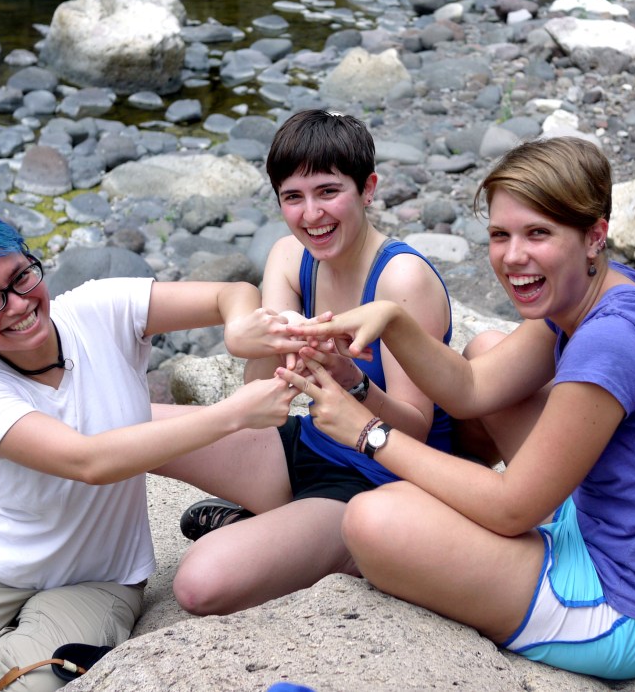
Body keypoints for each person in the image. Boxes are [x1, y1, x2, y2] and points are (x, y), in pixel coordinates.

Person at [280, 136, 635, 681]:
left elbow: (511, 510)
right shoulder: (599, 292)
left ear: (595, 235)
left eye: (538, 233)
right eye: (500, 235)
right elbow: (473, 387)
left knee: (371, 518)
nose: (513, 256)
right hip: (628, 537)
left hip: (634, 605)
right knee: (486, 347)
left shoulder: (611, 340)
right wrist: (394, 321)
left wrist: (370, 433)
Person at [0, 207, 299, 692]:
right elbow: (89, 461)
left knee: (27, 684)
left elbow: (233, 292)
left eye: (21, 277)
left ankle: (4, 655)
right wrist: (234, 413)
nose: (18, 304)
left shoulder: (99, 308)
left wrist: (238, 328)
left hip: (100, 578)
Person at [150, 108, 454, 615]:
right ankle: (274, 525)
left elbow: (416, 431)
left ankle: (347, 549)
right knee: (111, 425)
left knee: (198, 584)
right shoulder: (290, 258)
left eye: (328, 192)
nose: (311, 215)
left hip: (375, 479)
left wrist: (353, 383)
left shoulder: (402, 281)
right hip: (304, 448)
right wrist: (263, 342)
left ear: (368, 188)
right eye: (294, 197)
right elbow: (258, 393)